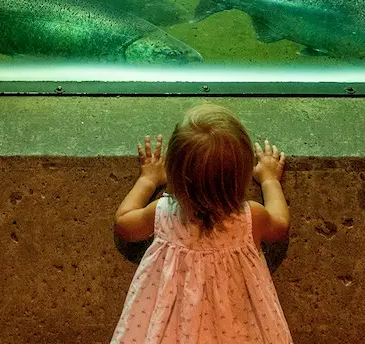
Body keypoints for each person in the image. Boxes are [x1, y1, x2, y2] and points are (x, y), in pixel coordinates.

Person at [111, 103, 292, 343]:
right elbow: (280, 225)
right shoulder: (251, 218)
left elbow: (124, 223)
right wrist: (270, 180)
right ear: (243, 174)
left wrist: (147, 179)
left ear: (173, 171)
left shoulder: (165, 213)